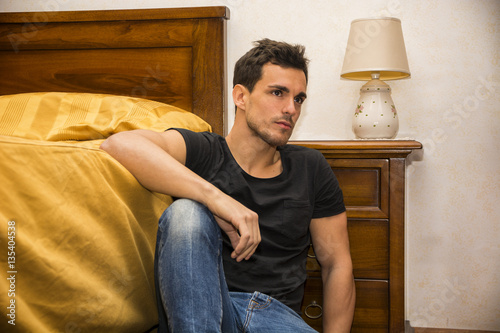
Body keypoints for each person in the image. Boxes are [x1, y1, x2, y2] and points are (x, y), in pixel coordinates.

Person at [100, 39, 355, 332]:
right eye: (277, 93)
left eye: (298, 99)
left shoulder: (311, 167)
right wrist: (214, 198)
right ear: (240, 97)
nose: (291, 109)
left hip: (277, 318)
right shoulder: (204, 151)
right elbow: (120, 143)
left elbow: (336, 264)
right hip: (205, 309)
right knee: (186, 212)